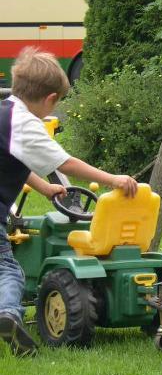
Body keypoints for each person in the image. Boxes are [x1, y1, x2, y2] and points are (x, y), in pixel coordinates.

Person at [0, 47, 138, 357]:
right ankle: (9, 314)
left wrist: (45, 189)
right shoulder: (25, 124)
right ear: (50, 100)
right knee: (9, 271)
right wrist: (113, 180)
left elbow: (13, 164)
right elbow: (67, 164)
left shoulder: (5, 115)